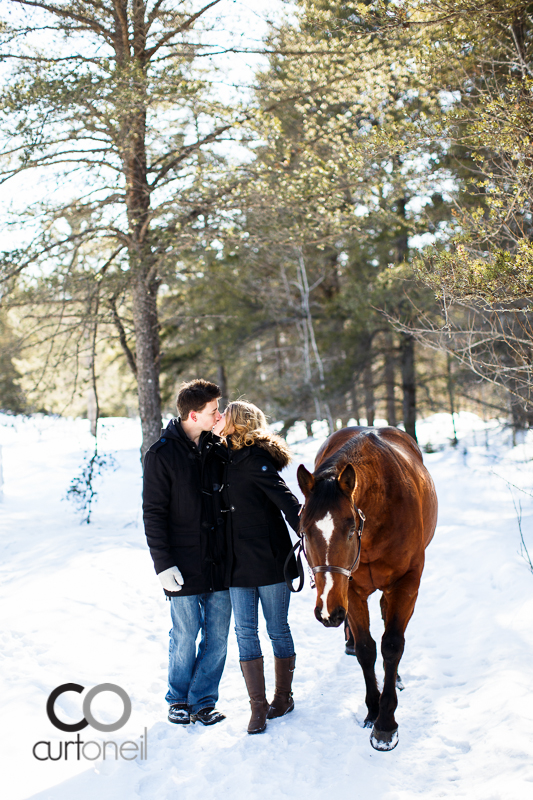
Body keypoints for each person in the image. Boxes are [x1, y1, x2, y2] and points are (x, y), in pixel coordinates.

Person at [143, 379, 232, 726]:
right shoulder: (161, 454)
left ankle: (203, 701)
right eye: (214, 411)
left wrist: (228, 438)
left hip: (220, 561)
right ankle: (178, 699)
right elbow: (154, 513)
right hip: (181, 564)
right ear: (194, 415)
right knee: (184, 634)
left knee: (218, 637)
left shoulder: (218, 448)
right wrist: (163, 565)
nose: (219, 415)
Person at [213, 400, 301, 734]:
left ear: (239, 423)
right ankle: (258, 706)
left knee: (277, 628)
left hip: (269, 559)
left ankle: (283, 696)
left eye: (225, 416)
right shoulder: (224, 457)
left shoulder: (255, 459)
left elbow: (286, 501)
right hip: (236, 564)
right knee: (245, 632)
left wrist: (311, 534)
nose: (219, 419)